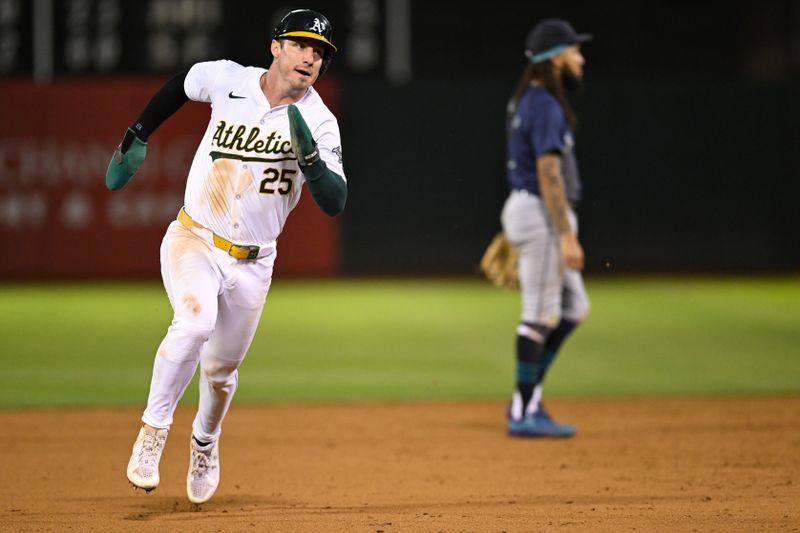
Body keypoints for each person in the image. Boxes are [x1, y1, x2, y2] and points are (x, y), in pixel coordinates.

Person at [105, 9, 347, 503]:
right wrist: (139, 132)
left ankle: (205, 442)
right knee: (193, 322)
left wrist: (313, 163)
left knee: (220, 372)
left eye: (319, 52)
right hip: (194, 237)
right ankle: (152, 434)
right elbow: (180, 84)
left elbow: (334, 201)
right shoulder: (230, 80)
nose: (310, 57)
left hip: (255, 263)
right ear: (276, 46)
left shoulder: (321, 122)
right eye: (301, 45)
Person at [500, 19, 592, 438]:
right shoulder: (545, 104)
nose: (581, 57)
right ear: (556, 57)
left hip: (533, 212)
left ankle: (528, 393)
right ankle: (523, 409)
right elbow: (547, 171)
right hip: (542, 214)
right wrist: (566, 234)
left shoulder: (530, 101)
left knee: (574, 309)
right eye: (574, 50)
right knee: (538, 315)